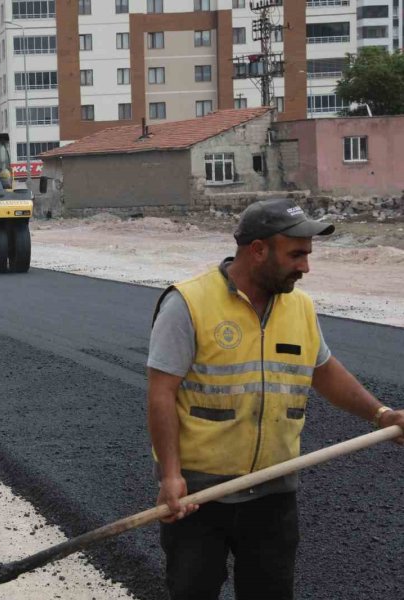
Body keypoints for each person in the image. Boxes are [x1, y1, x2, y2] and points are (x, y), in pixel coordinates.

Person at [146, 198, 404, 600]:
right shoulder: (189, 303)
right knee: (192, 591)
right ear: (258, 250)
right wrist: (171, 476)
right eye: (296, 254)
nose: (305, 266)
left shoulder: (299, 307)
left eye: (307, 255)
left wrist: (380, 414)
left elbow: (324, 370)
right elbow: (162, 392)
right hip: (200, 496)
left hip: (273, 491)